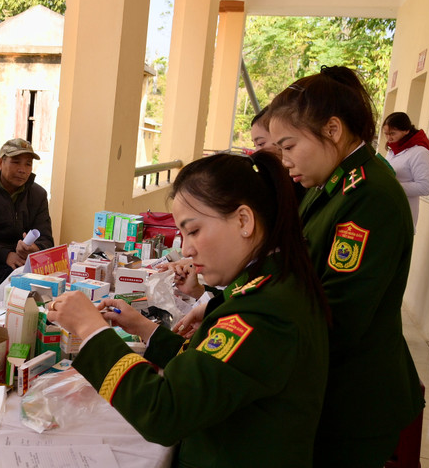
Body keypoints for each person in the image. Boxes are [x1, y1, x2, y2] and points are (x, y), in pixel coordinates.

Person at [48, 151, 330, 468]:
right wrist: (146, 329)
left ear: (243, 221)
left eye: (193, 231)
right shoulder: (271, 283)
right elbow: (212, 372)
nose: (185, 248)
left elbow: (164, 411)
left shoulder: (263, 312)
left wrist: (91, 332)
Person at [267, 66, 425, 467]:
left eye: (288, 146)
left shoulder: (368, 194)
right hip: (333, 388)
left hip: (355, 400)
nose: (284, 161)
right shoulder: (336, 183)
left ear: (333, 130)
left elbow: (339, 313)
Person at [0, 138, 54, 293]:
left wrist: (35, 248)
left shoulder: (38, 194)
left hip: (24, 262)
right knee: (25, 288)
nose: (23, 170)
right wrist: (5, 255)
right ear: (0, 163)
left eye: (28, 164)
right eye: (16, 162)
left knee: (55, 281)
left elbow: (46, 239)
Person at [382, 111, 429, 227]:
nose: (388, 137)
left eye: (392, 133)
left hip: (403, 214)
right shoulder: (392, 151)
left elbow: (425, 187)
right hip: (387, 211)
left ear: (406, 131)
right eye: (386, 134)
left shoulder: (420, 153)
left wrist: (392, 185)